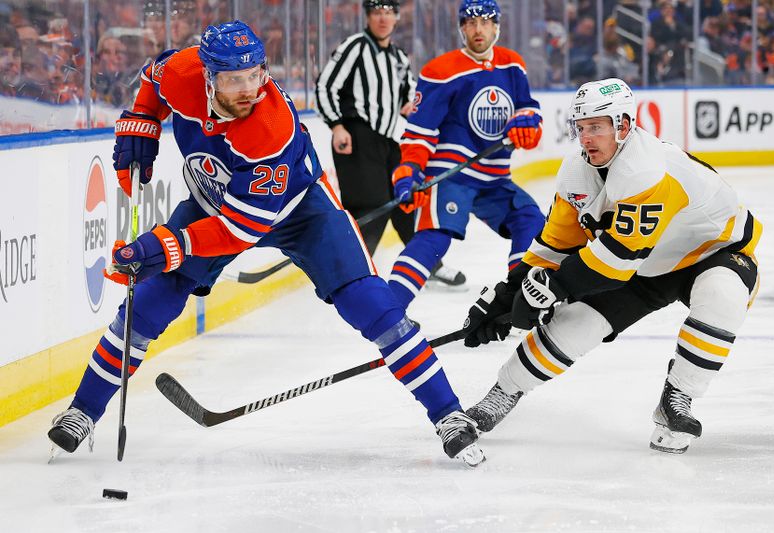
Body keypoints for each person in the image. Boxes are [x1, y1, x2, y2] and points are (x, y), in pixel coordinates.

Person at [47, 21, 483, 467]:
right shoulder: (182, 73)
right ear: (208, 76)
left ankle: (449, 414)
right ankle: (82, 410)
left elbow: (238, 230)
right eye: (235, 79)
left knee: (374, 307)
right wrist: (141, 120)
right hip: (211, 203)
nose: (249, 89)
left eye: (256, 75)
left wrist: (167, 245)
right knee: (150, 303)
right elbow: (154, 80)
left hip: (302, 211)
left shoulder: (270, 127)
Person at [462, 78, 761, 454]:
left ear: (623, 125)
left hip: (714, 252)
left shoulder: (644, 168)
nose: (586, 138)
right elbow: (556, 244)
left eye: (597, 127)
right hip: (647, 262)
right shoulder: (576, 173)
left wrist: (552, 289)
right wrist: (508, 293)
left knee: (723, 296)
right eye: (582, 128)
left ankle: (677, 399)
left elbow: (616, 258)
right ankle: (501, 394)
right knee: (575, 324)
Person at [386, 0, 546, 310]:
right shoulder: (440, 71)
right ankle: (389, 309)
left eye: (485, 22)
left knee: (531, 221)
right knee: (434, 238)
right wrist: (409, 169)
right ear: (462, 28)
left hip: (495, 179)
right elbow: (420, 133)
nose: (478, 29)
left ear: (496, 27)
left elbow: (528, 108)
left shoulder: (512, 65)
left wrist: (528, 125)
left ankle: (515, 303)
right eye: (471, 23)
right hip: (451, 176)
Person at [315, 0, 467, 289]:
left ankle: (429, 263)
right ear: (368, 16)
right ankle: (353, 272)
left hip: (385, 140)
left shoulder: (397, 56)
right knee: (369, 205)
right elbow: (325, 86)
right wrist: (337, 126)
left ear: (396, 18)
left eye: (388, 13)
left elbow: (409, 99)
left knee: (405, 198)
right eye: (376, 12)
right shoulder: (355, 47)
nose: (382, 18)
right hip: (356, 136)